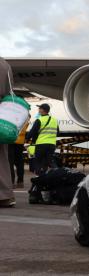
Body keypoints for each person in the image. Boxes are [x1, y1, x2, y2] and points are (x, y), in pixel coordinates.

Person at [25, 103, 59, 175]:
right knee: (49, 162)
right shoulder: (54, 120)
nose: (39, 110)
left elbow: (32, 132)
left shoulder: (39, 120)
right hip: (52, 145)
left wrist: (26, 139)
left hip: (41, 145)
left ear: (43, 110)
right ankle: (58, 174)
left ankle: (39, 178)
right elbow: (58, 132)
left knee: (38, 162)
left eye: (40, 108)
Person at [0, 58, 15, 207]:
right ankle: (4, 195)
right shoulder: (4, 64)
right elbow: (10, 92)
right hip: (2, 116)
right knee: (2, 157)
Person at [8, 118, 30, 188]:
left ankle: (11, 182)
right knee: (20, 162)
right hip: (20, 141)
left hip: (12, 141)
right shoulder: (25, 119)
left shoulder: (13, 118)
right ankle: (20, 182)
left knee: (10, 162)